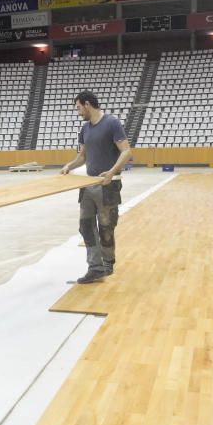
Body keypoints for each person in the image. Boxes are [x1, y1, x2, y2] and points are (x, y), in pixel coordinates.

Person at [60, 90, 132, 284]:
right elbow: (82, 156)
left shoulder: (111, 123)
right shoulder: (85, 129)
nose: (78, 112)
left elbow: (126, 151)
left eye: (78, 108)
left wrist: (111, 172)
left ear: (87, 104)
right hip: (88, 185)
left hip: (108, 185)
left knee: (106, 228)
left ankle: (107, 265)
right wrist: (69, 166)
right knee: (85, 226)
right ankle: (95, 267)